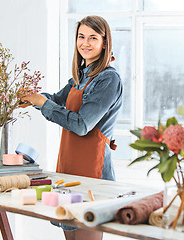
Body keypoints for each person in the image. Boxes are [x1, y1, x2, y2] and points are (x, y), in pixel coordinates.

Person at [18, 15, 123, 240]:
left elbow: (83, 124)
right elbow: (56, 100)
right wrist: (34, 99)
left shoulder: (108, 79)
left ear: (104, 43)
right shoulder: (79, 77)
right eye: (81, 36)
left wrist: (42, 103)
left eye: (93, 38)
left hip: (92, 171)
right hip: (69, 166)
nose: (85, 43)